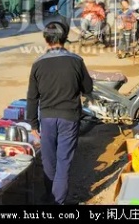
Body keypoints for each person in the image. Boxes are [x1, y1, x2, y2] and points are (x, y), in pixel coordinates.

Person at [26, 21, 93, 205]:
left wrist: (33, 124)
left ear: (46, 40)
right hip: (69, 118)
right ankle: (57, 201)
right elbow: (88, 88)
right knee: (63, 162)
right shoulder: (76, 61)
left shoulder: (38, 64)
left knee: (49, 161)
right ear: (64, 38)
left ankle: (52, 198)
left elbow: (32, 97)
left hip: (47, 119)